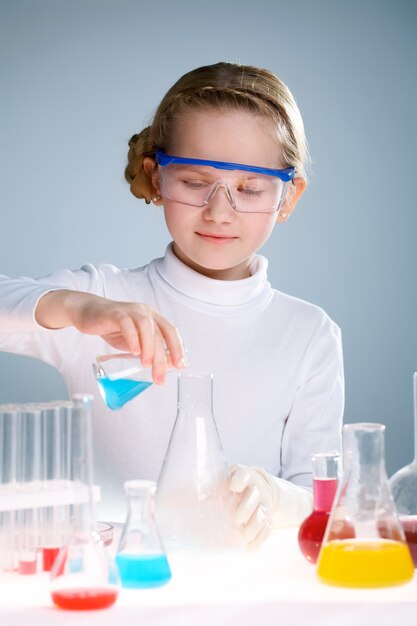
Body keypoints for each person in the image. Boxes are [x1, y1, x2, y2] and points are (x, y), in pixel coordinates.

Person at [0, 62, 344, 548]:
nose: (220, 211)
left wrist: (277, 498)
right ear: (156, 177)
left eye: (249, 188)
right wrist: (76, 307)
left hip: (239, 596)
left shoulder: (309, 334)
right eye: (193, 182)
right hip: (112, 588)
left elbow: (320, 501)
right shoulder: (106, 299)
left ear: (288, 197)